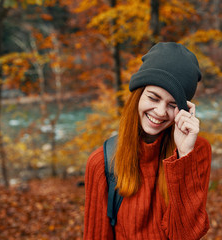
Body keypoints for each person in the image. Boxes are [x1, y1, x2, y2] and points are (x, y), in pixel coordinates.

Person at [83, 42, 212, 240]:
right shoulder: (102, 163)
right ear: (138, 95)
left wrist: (184, 156)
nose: (160, 112)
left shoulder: (197, 151)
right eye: (153, 98)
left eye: (172, 104)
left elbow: (187, 235)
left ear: (184, 110)